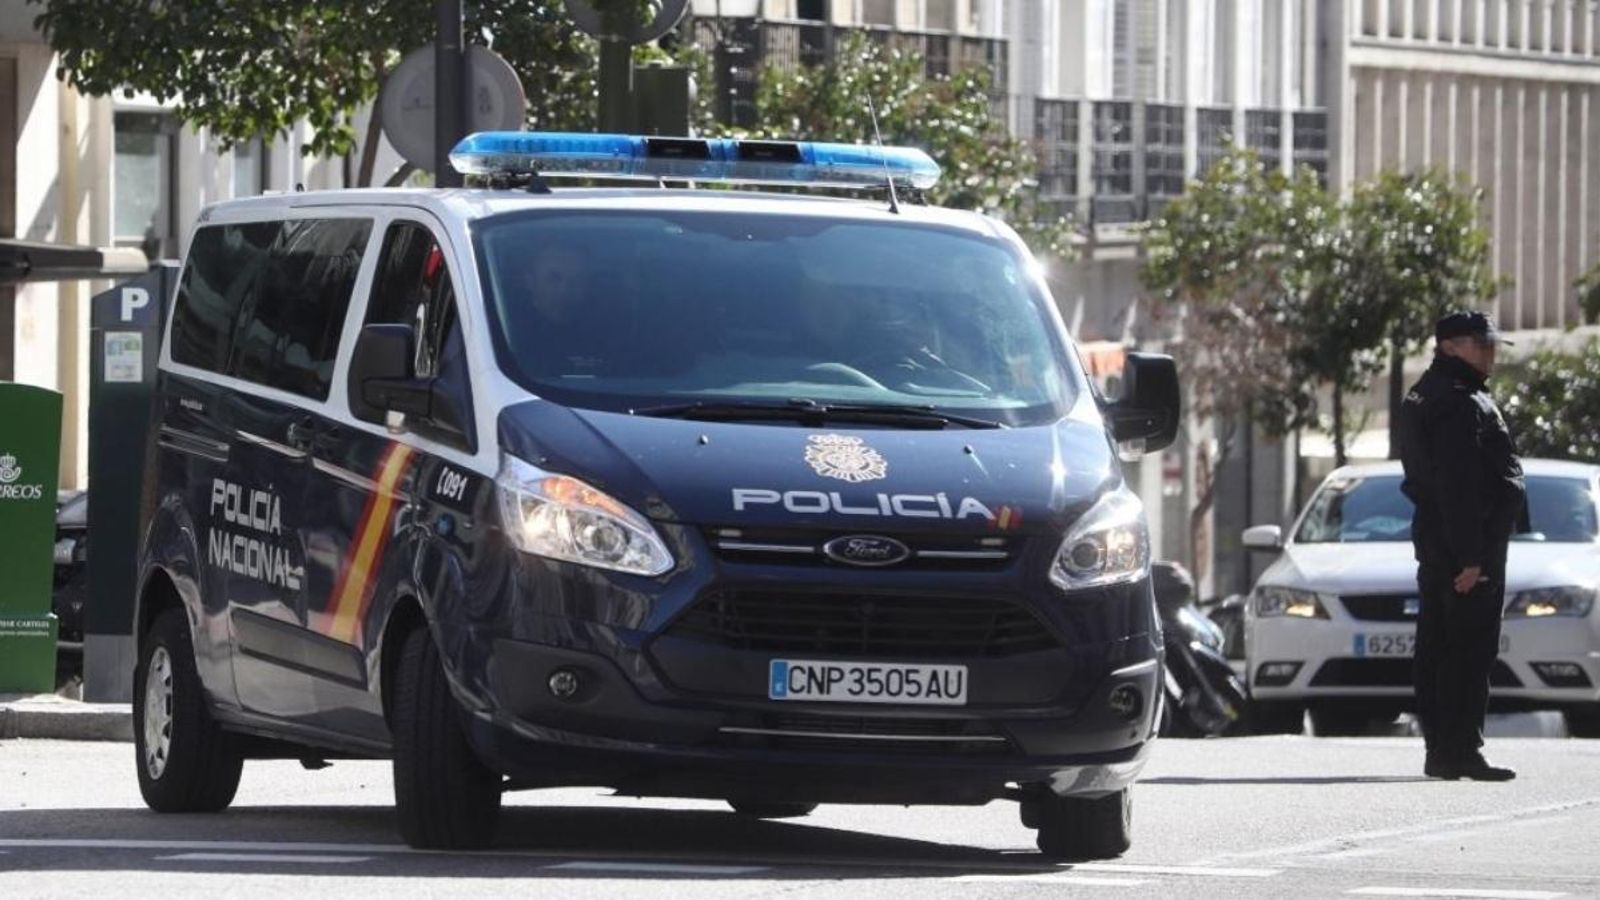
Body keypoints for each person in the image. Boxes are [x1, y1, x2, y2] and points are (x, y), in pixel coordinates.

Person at [1397, 310, 1524, 781]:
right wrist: (1472, 556)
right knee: (1467, 652)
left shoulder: (1430, 393)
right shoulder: (1457, 402)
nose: (1489, 353)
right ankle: (1459, 750)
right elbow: (1458, 484)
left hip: (1442, 540)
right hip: (1465, 545)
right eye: (1479, 344)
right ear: (1450, 346)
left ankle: (1443, 750)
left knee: (1440, 648)